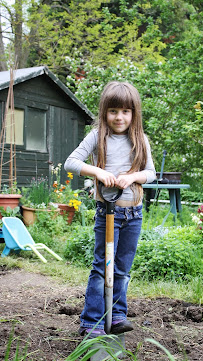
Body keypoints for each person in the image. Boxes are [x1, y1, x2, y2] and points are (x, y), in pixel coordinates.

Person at [64, 81, 156, 337]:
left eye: (125, 111)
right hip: (107, 213)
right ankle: (91, 322)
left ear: (133, 113)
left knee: (122, 269)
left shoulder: (140, 139)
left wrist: (133, 177)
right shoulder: (97, 136)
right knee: (101, 267)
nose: (119, 117)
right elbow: (70, 162)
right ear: (105, 112)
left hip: (133, 214)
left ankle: (116, 316)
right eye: (113, 111)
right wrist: (98, 172)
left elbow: (151, 173)